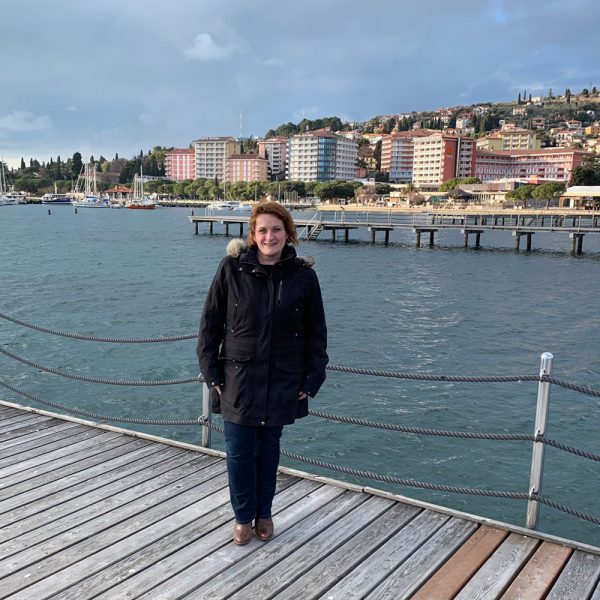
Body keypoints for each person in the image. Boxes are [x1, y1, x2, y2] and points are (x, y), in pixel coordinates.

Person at [197, 200, 328, 545]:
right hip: (236, 380)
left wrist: (311, 380)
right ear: (253, 236)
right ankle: (243, 516)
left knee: (269, 450)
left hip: (283, 379)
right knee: (239, 451)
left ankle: (264, 513)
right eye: (263, 230)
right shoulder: (231, 269)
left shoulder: (304, 277)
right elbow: (209, 327)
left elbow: (317, 334)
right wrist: (213, 375)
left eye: (276, 229)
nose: (270, 236)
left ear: (288, 233)